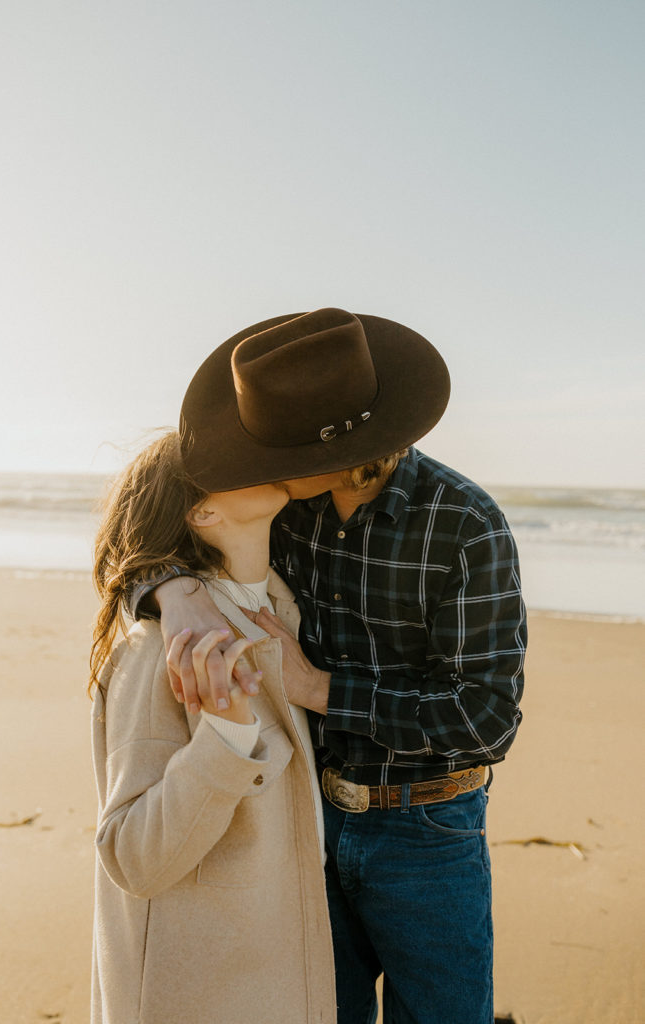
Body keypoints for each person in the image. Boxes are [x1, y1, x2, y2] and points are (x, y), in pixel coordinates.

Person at [130, 307, 527, 1024]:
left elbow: (486, 719)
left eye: (275, 448)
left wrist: (317, 688)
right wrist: (172, 592)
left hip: (427, 831)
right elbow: (146, 524)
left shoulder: (465, 524)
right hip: (303, 824)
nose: (257, 460)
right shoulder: (283, 506)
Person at [89, 431, 336, 1024]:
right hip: (199, 991)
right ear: (203, 511)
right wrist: (225, 740)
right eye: (234, 459)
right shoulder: (161, 649)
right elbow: (132, 858)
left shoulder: (283, 617)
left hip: (276, 973)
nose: (262, 455)